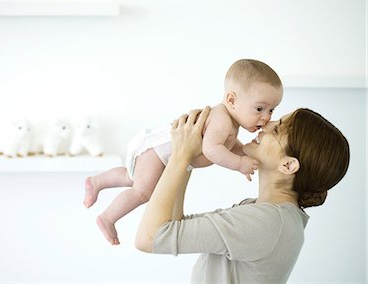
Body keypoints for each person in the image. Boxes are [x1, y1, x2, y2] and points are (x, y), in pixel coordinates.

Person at [135, 106, 350, 283]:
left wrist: (180, 155)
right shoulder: (267, 214)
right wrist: (187, 159)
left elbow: (149, 238)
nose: (267, 124)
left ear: (287, 165)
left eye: (277, 130)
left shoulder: (266, 222)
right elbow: (175, 225)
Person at [84, 59, 283, 245]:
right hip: (159, 154)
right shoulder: (222, 120)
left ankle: (97, 181)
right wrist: (239, 164)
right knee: (143, 192)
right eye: (259, 109)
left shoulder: (230, 122)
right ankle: (108, 218)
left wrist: (245, 154)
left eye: (271, 111)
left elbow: (230, 145)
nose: (266, 117)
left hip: (160, 155)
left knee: (132, 177)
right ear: (232, 100)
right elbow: (212, 149)